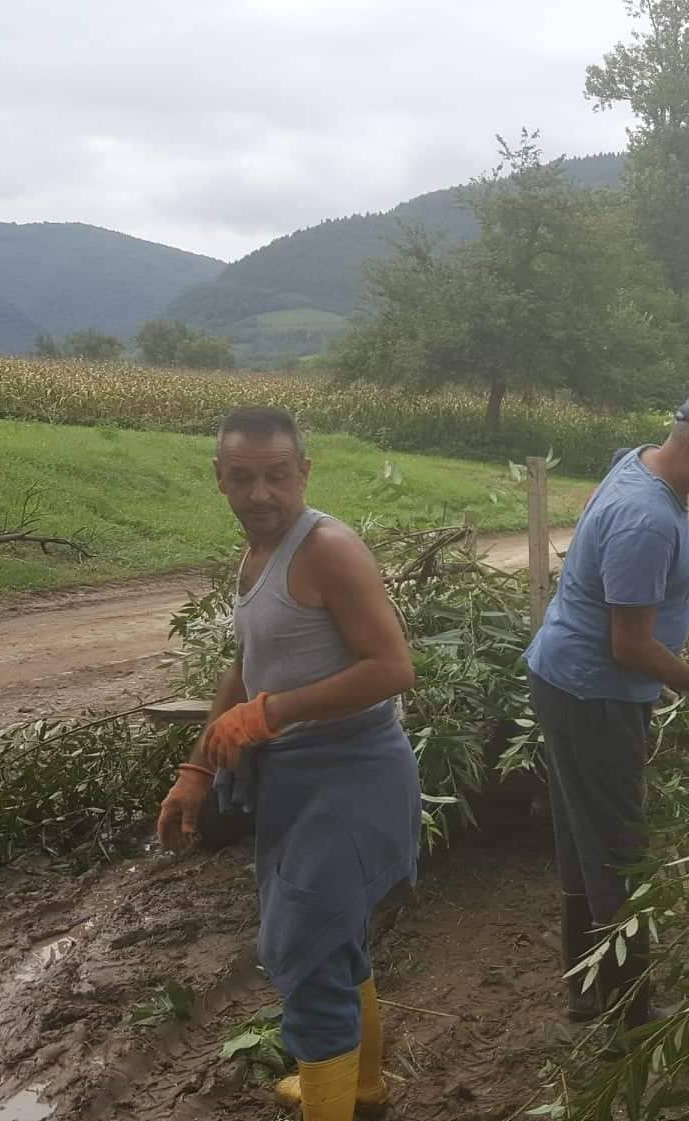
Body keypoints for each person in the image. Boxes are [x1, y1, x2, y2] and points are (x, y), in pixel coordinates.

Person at [155, 407, 420, 1121]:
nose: (261, 493)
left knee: (303, 949)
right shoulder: (256, 553)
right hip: (296, 778)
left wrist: (272, 713)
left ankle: (333, 1096)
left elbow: (394, 668)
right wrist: (198, 769)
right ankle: (359, 1089)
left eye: (277, 475)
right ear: (220, 480)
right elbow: (251, 662)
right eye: (243, 478)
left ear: (305, 470)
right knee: (332, 941)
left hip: (351, 772)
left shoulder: (329, 548)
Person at [524, 386, 689, 1027]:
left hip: (567, 680)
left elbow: (629, 596)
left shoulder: (637, 461)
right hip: (593, 695)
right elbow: (631, 646)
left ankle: (589, 995)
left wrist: (679, 598)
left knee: (585, 835)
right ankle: (626, 1015)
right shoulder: (647, 518)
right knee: (618, 850)